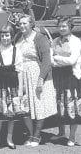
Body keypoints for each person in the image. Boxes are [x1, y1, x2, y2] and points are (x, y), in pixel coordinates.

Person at [15, 14, 57, 147]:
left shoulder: (39, 38)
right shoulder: (18, 37)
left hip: (37, 74)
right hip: (22, 75)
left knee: (39, 106)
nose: (22, 26)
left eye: (24, 23)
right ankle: (31, 133)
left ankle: (37, 135)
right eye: (20, 23)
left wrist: (40, 80)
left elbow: (46, 60)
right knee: (25, 107)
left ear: (32, 24)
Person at [51, 16, 81, 146]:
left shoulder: (76, 41)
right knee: (59, 105)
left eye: (64, 26)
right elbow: (50, 61)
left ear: (70, 27)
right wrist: (59, 60)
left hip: (72, 77)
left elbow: (72, 61)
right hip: (58, 77)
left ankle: (72, 136)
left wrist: (57, 58)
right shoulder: (54, 41)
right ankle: (61, 133)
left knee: (72, 106)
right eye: (60, 26)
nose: (62, 28)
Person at [0, 24, 23, 149]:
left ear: (12, 36)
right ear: (0, 37)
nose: (5, 38)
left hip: (12, 86)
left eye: (7, 35)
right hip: (0, 86)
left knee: (11, 115)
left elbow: (19, 71)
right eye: (2, 35)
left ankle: (9, 138)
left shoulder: (16, 51)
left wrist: (20, 90)